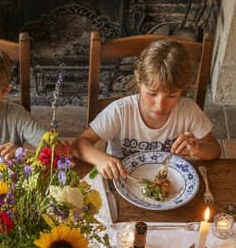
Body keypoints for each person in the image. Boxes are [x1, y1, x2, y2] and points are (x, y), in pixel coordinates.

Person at [74, 38, 221, 180]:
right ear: (139, 79)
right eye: (152, 93)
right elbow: (79, 144)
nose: (160, 105)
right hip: (124, 180)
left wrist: (198, 150)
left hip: (171, 181)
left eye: (171, 96)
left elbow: (214, 149)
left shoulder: (189, 112)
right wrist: (100, 159)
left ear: (183, 89)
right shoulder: (121, 111)